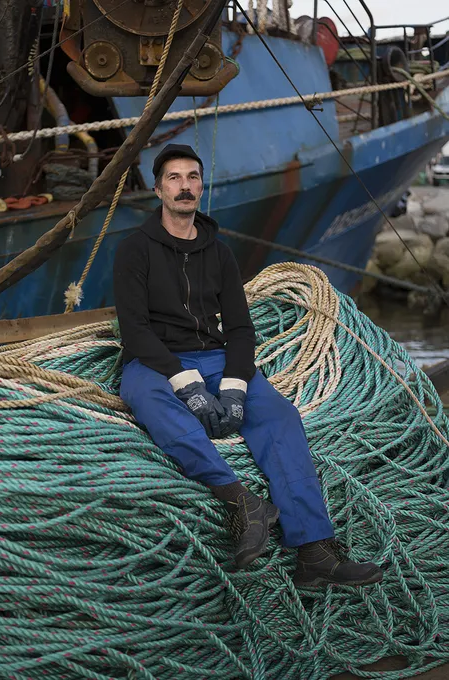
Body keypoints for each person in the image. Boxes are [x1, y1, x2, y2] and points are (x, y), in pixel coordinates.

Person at [113, 143, 383, 587]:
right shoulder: (134, 250)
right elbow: (135, 330)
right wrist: (185, 382)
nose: (185, 186)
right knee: (149, 401)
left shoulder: (219, 253)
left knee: (279, 416)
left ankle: (314, 551)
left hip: (218, 358)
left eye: (193, 177)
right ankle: (240, 500)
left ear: (202, 186)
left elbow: (240, 328)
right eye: (175, 178)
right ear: (159, 189)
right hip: (154, 360)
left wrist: (235, 385)